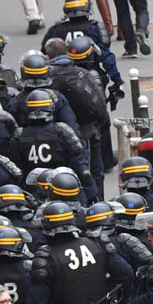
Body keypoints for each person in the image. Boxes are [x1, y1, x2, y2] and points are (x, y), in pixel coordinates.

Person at [45, 41, 110, 199]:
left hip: (58, 137)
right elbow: (100, 104)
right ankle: (99, 205)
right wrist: (101, 124)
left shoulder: (46, 78)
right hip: (88, 131)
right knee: (94, 172)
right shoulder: (82, 74)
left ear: (48, 57)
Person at [13, 89, 92, 191]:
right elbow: (78, 159)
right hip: (62, 186)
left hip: (31, 189)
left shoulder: (19, 134)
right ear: (51, 108)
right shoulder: (62, 130)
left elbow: (15, 165)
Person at [40, 0, 124, 90]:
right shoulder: (95, 28)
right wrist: (117, 80)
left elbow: (45, 54)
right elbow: (106, 56)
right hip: (90, 73)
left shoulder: (56, 29)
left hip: (62, 75)